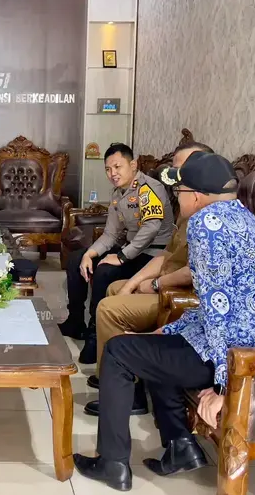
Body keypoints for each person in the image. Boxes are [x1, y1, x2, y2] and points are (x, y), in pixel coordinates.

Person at [74, 152, 255, 491]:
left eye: (179, 192)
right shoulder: (253, 224)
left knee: (118, 352)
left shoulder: (206, 224)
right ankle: (180, 447)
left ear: (195, 195)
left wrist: (226, 386)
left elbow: (219, 310)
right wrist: (172, 329)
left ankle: (112, 462)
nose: (177, 199)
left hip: (240, 359)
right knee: (158, 344)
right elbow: (219, 304)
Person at [84, 142, 214, 418]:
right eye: (108, 169)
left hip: (180, 295)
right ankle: (118, 374)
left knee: (108, 303)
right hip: (163, 274)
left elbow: (190, 269)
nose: (174, 179)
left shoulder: (205, 217)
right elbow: (168, 254)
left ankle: (123, 392)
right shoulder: (186, 210)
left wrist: (151, 281)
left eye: (181, 170)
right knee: (115, 287)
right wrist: (132, 282)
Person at [60, 143, 174, 365]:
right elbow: (110, 234)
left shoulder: (149, 189)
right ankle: (75, 322)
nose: (112, 173)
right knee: (76, 259)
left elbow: (151, 229)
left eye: (117, 167)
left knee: (105, 271)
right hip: (131, 249)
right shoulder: (118, 194)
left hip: (153, 254)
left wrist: (121, 257)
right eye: (108, 169)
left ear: (133, 165)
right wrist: (90, 254)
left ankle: (95, 336)